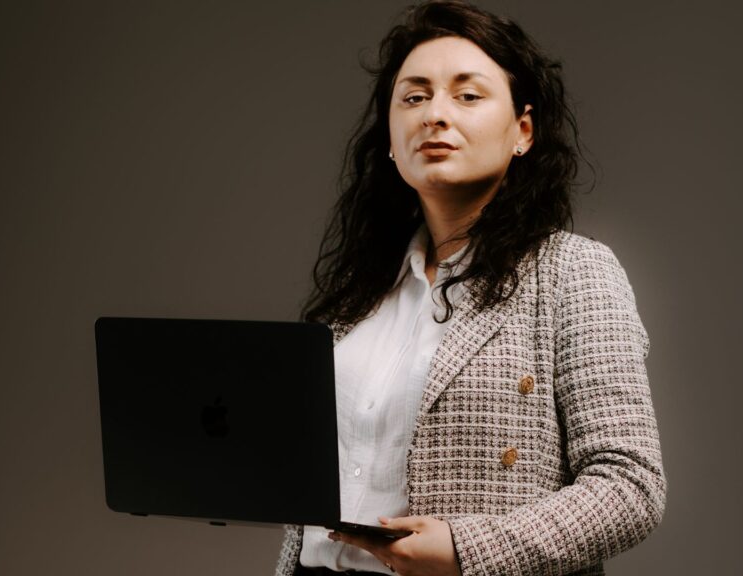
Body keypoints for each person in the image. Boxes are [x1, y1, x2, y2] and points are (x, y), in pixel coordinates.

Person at [276, 1, 666, 575]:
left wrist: (467, 550)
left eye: (467, 95)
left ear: (523, 131)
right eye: (414, 97)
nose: (435, 114)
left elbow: (630, 485)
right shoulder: (359, 292)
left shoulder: (571, 271)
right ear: (390, 137)